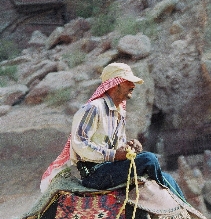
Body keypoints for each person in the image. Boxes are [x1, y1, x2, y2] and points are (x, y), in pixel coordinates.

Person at [40, 62, 185, 201]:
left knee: (168, 177)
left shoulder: (119, 112)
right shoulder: (93, 109)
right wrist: (115, 155)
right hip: (95, 173)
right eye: (129, 82)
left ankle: (187, 212)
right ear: (117, 84)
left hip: (110, 167)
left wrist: (129, 147)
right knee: (149, 159)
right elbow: (80, 145)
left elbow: (118, 148)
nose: (133, 85)